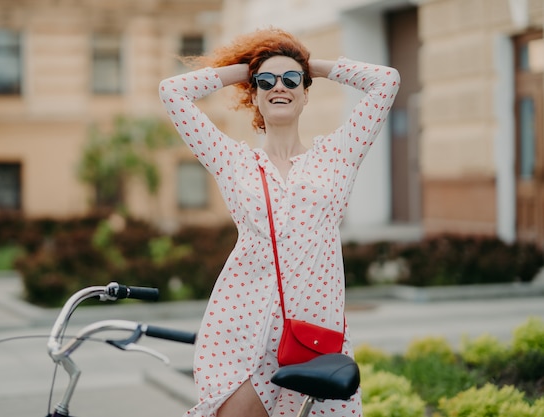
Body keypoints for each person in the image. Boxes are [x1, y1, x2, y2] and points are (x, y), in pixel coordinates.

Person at [159, 27, 400, 417]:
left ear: (306, 94)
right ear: (253, 95)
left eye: (291, 81)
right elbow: (173, 92)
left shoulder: (338, 155)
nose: (279, 87)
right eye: (266, 82)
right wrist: (244, 70)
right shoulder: (232, 160)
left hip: (311, 329)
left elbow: (386, 81)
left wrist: (310, 66)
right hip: (240, 325)